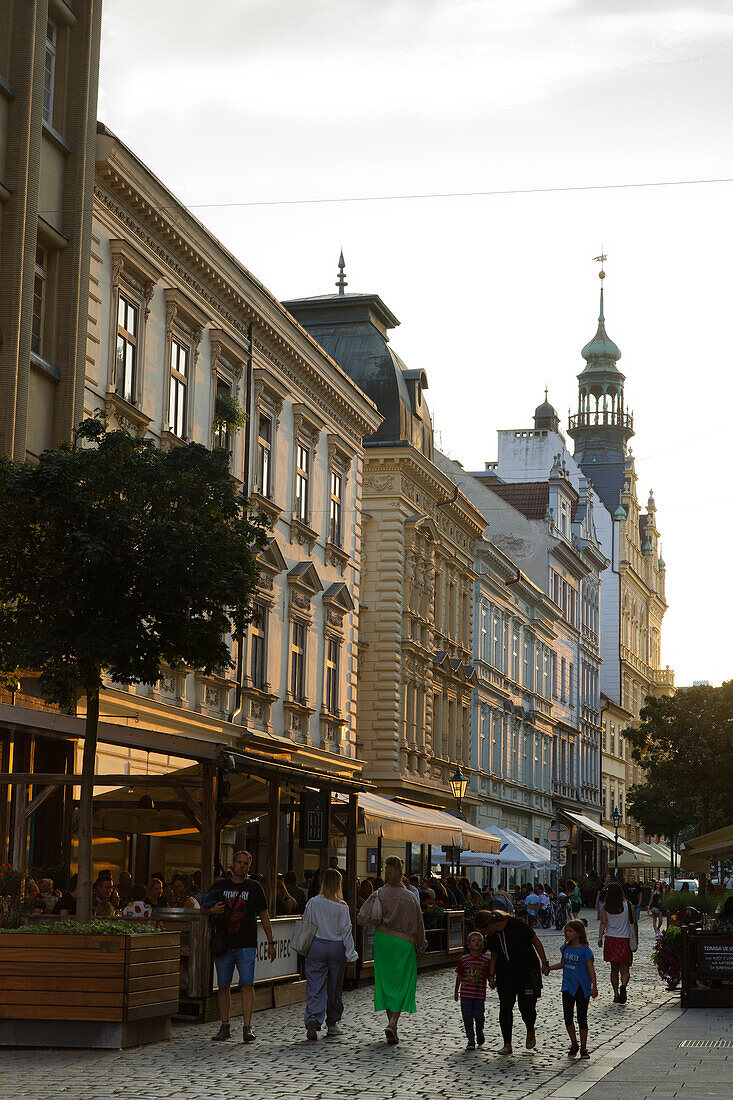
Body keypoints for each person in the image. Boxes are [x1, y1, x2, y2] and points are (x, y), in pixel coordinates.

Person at [203, 850, 277, 1042]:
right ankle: (225, 1024)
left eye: (245, 863)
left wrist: (270, 942)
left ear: (249, 867)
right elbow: (202, 907)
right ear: (232, 864)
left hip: (246, 944)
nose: (242, 866)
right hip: (224, 943)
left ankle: (247, 1026)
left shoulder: (254, 887)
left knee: (247, 984)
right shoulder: (220, 885)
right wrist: (211, 910)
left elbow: (264, 915)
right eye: (239, 862)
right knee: (223, 986)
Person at [357, 855, 426, 1045]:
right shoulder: (410, 897)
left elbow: (361, 917)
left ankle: (391, 1023)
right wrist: (421, 944)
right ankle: (393, 1022)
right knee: (402, 983)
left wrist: (377, 922)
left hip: (383, 942)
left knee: (386, 983)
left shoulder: (379, 893)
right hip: (404, 944)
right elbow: (419, 923)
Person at [477, 909, 550, 1055]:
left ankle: (530, 1028)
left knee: (526, 1006)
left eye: (484, 930)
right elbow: (494, 955)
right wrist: (491, 975)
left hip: (526, 970)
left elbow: (536, 941)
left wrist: (544, 962)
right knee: (505, 1007)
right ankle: (507, 1044)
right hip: (505, 973)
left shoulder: (517, 925)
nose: (484, 934)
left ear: (490, 924)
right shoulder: (493, 936)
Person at [303, 868, 359, 1040]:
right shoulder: (342, 907)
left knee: (315, 984)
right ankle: (332, 1023)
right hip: (336, 947)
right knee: (335, 987)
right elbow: (346, 931)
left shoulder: (313, 902)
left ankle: (313, 1017)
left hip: (317, 946)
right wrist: (351, 955)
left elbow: (306, 923)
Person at [547, 920, 598, 1059]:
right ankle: (573, 1042)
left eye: (570, 931)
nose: (567, 934)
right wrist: (549, 968)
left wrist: (594, 986)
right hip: (568, 987)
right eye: (566, 931)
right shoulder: (565, 949)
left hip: (582, 988)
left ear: (579, 933)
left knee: (582, 1017)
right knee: (567, 1016)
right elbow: (563, 964)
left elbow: (591, 970)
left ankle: (583, 1046)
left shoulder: (585, 951)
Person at [598, 881, 637, 1004]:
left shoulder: (606, 906)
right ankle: (623, 986)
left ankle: (615, 995)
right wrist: (636, 938)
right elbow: (634, 922)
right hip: (624, 939)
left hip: (611, 939)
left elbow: (603, 923)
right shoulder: (628, 905)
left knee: (613, 970)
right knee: (625, 971)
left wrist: (600, 938)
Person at [454, 931, 491, 1050]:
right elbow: (459, 975)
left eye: (479, 941)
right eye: (473, 941)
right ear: (469, 945)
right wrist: (456, 991)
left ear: (483, 944)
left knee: (479, 1017)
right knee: (467, 1018)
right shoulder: (464, 960)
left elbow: (488, 975)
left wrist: (491, 981)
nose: (476, 943)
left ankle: (480, 1032)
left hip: (479, 995)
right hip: (466, 994)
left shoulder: (486, 961)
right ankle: (471, 1039)